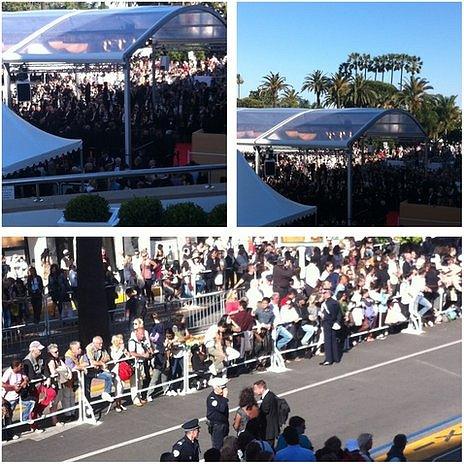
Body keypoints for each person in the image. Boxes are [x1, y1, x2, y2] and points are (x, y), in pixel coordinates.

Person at [22, 340, 57, 430]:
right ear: (33, 350)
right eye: (39, 349)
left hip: (41, 383)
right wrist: (42, 376)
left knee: (51, 393)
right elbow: (32, 376)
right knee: (33, 404)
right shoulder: (27, 361)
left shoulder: (41, 358)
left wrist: (48, 378)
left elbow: (45, 369)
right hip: (32, 386)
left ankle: (39, 410)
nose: (41, 351)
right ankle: (33, 425)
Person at [1, 360, 35, 436]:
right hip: (9, 398)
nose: (22, 367)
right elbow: (2, 384)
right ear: (15, 367)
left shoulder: (20, 371)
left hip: (18, 396)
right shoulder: (8, 373)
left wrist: (24, 382)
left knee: (31, 402)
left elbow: (25, 377)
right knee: (8, 415)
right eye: (20, 366)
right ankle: (8, 434)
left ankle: (24, 417)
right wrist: (13, 387)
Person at [45, 343, 75, 424]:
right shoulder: (50, 361)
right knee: (54, 402)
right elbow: (53, 371)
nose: (57, 353)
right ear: (50, 353)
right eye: (55, 352)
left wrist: (64, 370)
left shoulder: (58, 359)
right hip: (54, 384)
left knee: (58, 400)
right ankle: (54, 420)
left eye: (57, 351)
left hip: (60, 383)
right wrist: (62, 370)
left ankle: (57, 419)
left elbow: (65, 367)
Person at [85, 336, 114, 403]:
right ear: (94, 343)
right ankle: (87, 405)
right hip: (88, 372)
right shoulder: (89, 348)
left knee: (109, 376)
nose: (101, 345)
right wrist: (101, 363)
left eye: (101, 343)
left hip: (98, 370)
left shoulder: (102, 348)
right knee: (87, 390)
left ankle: (106, 393)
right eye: (99, 344)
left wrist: (100, 362)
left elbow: (108, 357)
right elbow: (92, 362)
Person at [128, 327, 152, 406]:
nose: (143, 336)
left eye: (143, 334)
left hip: (142, 363)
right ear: (136, 333)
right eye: (141, 334)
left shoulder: (141, 342)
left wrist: (148, 352)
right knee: (135, 382)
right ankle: (135, 399)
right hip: (135, 364)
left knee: (140, 381)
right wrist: (143, 355)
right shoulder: (132, 341)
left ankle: (139, 396)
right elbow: (132, 353)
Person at [253, 379, 280, 448]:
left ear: (261, 388)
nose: (254, 391)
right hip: (271, 428)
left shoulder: (267, 399)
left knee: (268, 448)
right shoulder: (270, 395)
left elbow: (263, 412)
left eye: (255, 389)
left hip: (268, 430)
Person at [206, 377, 230, 449]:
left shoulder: (220, 397)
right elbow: (221, 409)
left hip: (224, 423)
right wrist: (225, 396)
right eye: (222, 388)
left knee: (225, 445)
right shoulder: (212, 399)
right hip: (217, 426)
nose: (224, 390)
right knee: (218, 447)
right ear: (216, 387)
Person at [320, 289, 342, 365]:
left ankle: (329, 359)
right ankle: (336, 358)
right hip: (334, 323)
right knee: (333, 340)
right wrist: (337, 321)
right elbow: (339, 313)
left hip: (327, 323)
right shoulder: (336, 302)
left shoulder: (327, 303)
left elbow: (326, 315)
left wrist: (322, 316)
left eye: (324, 293)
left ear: (328, 294)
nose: (323, 294)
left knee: (328, 341)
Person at [109, 334, 129, 412]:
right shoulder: (111, 349)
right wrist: (121, 350)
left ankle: (120, 403)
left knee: (122, 386)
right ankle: (117, 404)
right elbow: (115, 358)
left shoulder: (121, 349)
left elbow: (128, 356)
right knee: (118, 387)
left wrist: (125, 351)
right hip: (115, 370)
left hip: (122, 369)